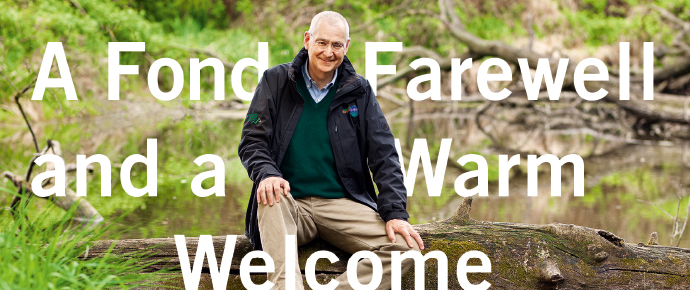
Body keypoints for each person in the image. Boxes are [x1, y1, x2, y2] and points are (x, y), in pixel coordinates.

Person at [238, 11, 423, 289]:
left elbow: (384, 155)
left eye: (336, 45)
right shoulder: (275, 81)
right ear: (307, 40)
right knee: (270, 193)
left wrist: (395, 212)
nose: (328, 52)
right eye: (322, 42)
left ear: (346, 47)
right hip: (288, 204)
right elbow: (252, 140)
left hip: (342, 204)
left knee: (407, 251)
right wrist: (266, 174)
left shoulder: (358, 91)